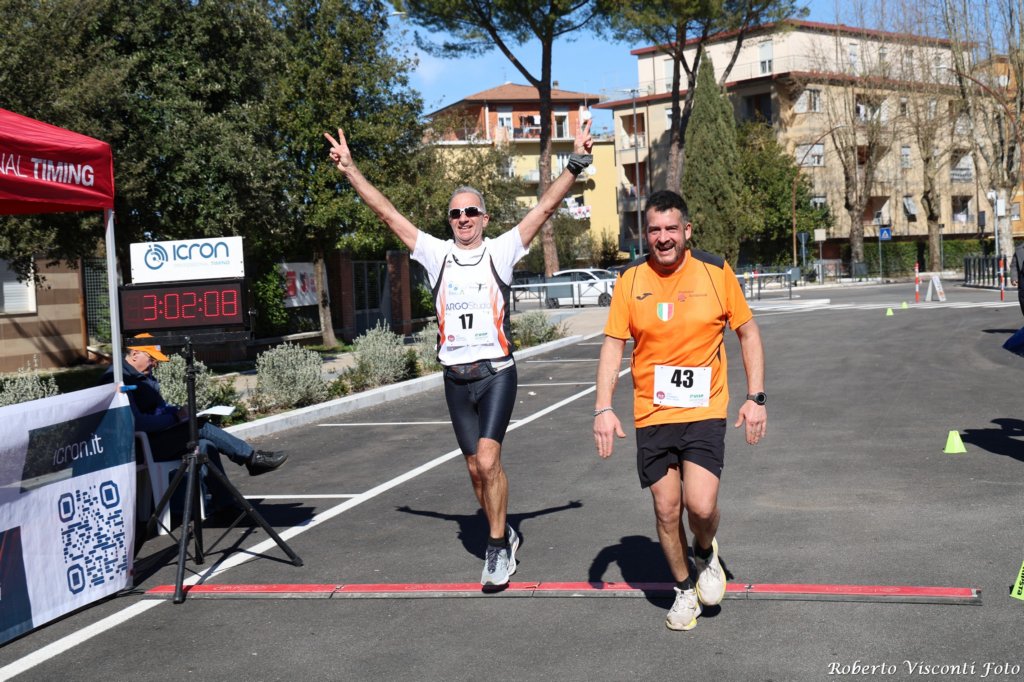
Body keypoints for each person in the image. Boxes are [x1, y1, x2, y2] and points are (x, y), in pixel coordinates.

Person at [324, 110, 593, 587]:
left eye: (471, 212)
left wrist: (574, 163)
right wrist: (350, 170)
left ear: (485, 218)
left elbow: (544, 210)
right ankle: (504, 530)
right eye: (456, 213)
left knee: (489, 459)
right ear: (449, 221)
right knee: (474, 469)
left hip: (496, 373)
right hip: (455, 378)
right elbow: (386, 213)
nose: (463, 218)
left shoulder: (502, 250)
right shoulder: (435, 253)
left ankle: (497, 548)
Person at [592, 190, 767, 630]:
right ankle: (684, 590)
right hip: (653, 414)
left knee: (701, 507)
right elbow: (613, 344)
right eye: (654, 230)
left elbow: (747, 332)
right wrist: (602, 407)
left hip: (704, 409)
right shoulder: (630, 279)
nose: (663, 237)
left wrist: (756, 397)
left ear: (687, 230)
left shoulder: (715, 271)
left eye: (671, 228)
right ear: (645, 234)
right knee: (667, 510)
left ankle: (705, 550)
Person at [102, 334, 287, 481]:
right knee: (198, 427)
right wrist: (175, 418)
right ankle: (251, 458)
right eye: (152, 359)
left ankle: (225, 506)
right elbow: (136, 423)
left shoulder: (143, 377)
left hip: (154, 440)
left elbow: (158, 409)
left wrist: (178, 412)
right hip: (137, 448)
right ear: (135, 354)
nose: (154, 364)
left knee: (206, 446)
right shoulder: (118, 379)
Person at [1010, 242, 1024, 317]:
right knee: (1022, 298)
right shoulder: (1019, 249)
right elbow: (1014, 265)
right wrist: (1014, 277)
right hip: (1022, 277)